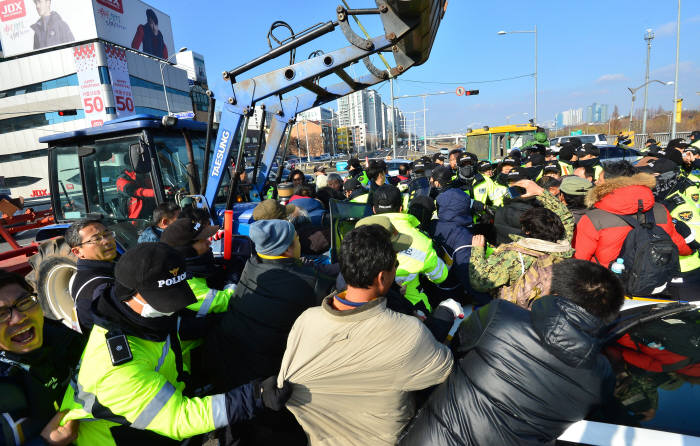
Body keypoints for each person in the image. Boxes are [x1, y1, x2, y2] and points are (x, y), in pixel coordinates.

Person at [60, 243, 292, 445]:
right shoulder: (117, 367)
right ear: (129, 294)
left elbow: (173, 341)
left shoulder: (142, 320)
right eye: (164, 300)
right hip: (125, 439)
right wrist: (254, 396)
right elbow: (179, 418)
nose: (172, 308)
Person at [399, 259, 624, 446]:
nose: (539, 287)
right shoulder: (602, 378)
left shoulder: (502, 316)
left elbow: (452, 353)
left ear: (556, 294)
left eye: (544, 283)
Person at [277, 224, 454, 446]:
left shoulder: (305, 320)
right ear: (381, 278)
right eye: (395, 265)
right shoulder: (409, 333)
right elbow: (445, 369)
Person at [207, 219, 335, 444]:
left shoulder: (252, 264)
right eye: (297, 239)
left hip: (232, 369)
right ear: (288, 248)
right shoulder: (312, 283)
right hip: (269, 382)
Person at [0, 269, 85, 446]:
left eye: (24, 302)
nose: (18, 318)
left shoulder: (68, 341)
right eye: (1, 315)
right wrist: (47, 442)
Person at [574, 161, 692, 268]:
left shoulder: (593, 218)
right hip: (652, 281)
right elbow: (678, 247)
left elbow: (579, 261)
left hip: (609, 284)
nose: (596, 182)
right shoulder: (660, 209)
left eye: (599, 180)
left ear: (607, 186)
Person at [470, 179, 574, 296]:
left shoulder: (514, 255)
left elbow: (480, 282)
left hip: (521, 309)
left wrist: (477, 251)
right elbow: (566, 217)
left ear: (527, 231)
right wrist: (540, 192)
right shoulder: (563, 245)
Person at [370, 185, 447, 312]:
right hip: (411, 309)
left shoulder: (356, 235)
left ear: (373, 209)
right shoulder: (421, 240)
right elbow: (440, 276)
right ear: (401, 208)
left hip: (366, 307)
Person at [160, 217, 232, 314]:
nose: (209, 242)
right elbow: (229, 302)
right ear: (187, 250)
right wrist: (233, 278)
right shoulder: (185, 284)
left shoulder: (195, 267)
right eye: (202, 240)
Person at [67, 220, 118, 334]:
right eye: (96, 239)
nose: (106, 241)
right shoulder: (101, 287)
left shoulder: (83, 275)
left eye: (107, 234)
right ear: (77, 252)